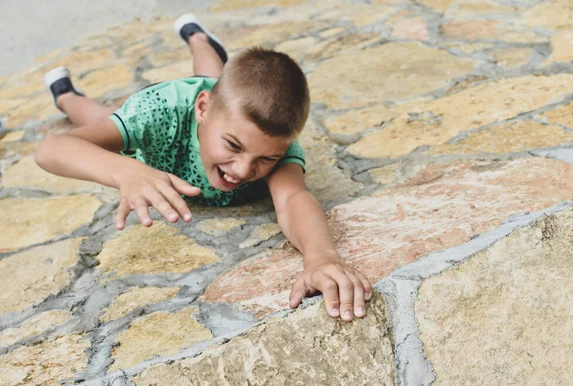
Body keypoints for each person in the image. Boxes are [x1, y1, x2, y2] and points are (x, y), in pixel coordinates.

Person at [35, 14, 372, 321]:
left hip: (215, 104)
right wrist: (126, 171)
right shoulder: (157, 113)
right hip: (175, 107)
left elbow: (292, 199)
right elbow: (52, 149)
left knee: (213, 79)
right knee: (100, 119)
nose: (242, 169)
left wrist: (321, 256)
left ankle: (198, 37)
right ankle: (65, 95)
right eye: (233, 146)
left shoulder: (276, 144)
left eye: (264, 159)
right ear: (202, 108)